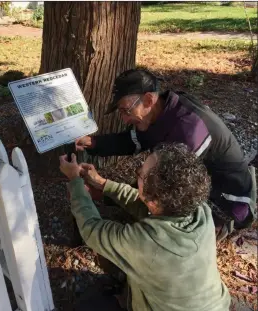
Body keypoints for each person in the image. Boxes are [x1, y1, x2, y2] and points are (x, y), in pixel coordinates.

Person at [75, 69, 256, 240]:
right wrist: (95, 143)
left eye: (125, 111)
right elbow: (134, 140)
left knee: (152, 233)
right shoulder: (164, 109)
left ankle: (218, 229)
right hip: (200, 185)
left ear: (148, 99)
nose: (124, 119)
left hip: (226, 204)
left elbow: (162, 188)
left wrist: (104, 191)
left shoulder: (188, 133)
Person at [59, 144, 231, 311]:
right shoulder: (199, 210)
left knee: (84, 309)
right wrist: (103, 183)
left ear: (154, 200)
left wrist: (75, 182)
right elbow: (143, 202)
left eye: (140, 174)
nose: (139, 170)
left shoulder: (147, 242)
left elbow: (92, 229)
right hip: (215, 309)